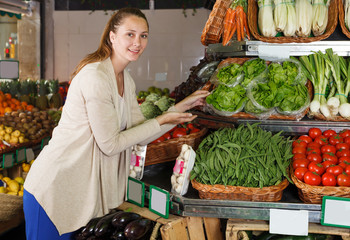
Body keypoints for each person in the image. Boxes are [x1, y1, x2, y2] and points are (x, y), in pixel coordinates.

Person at [23, 7, 209, 240]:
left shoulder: (125, 79)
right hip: (55, 189)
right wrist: (162, 118)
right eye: (130, 34)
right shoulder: (95, 77)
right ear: (112, 36)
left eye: (143, 35)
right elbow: (110, 144)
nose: (138, 42)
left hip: (79, 192)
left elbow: (139, 133)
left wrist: (181, 108)